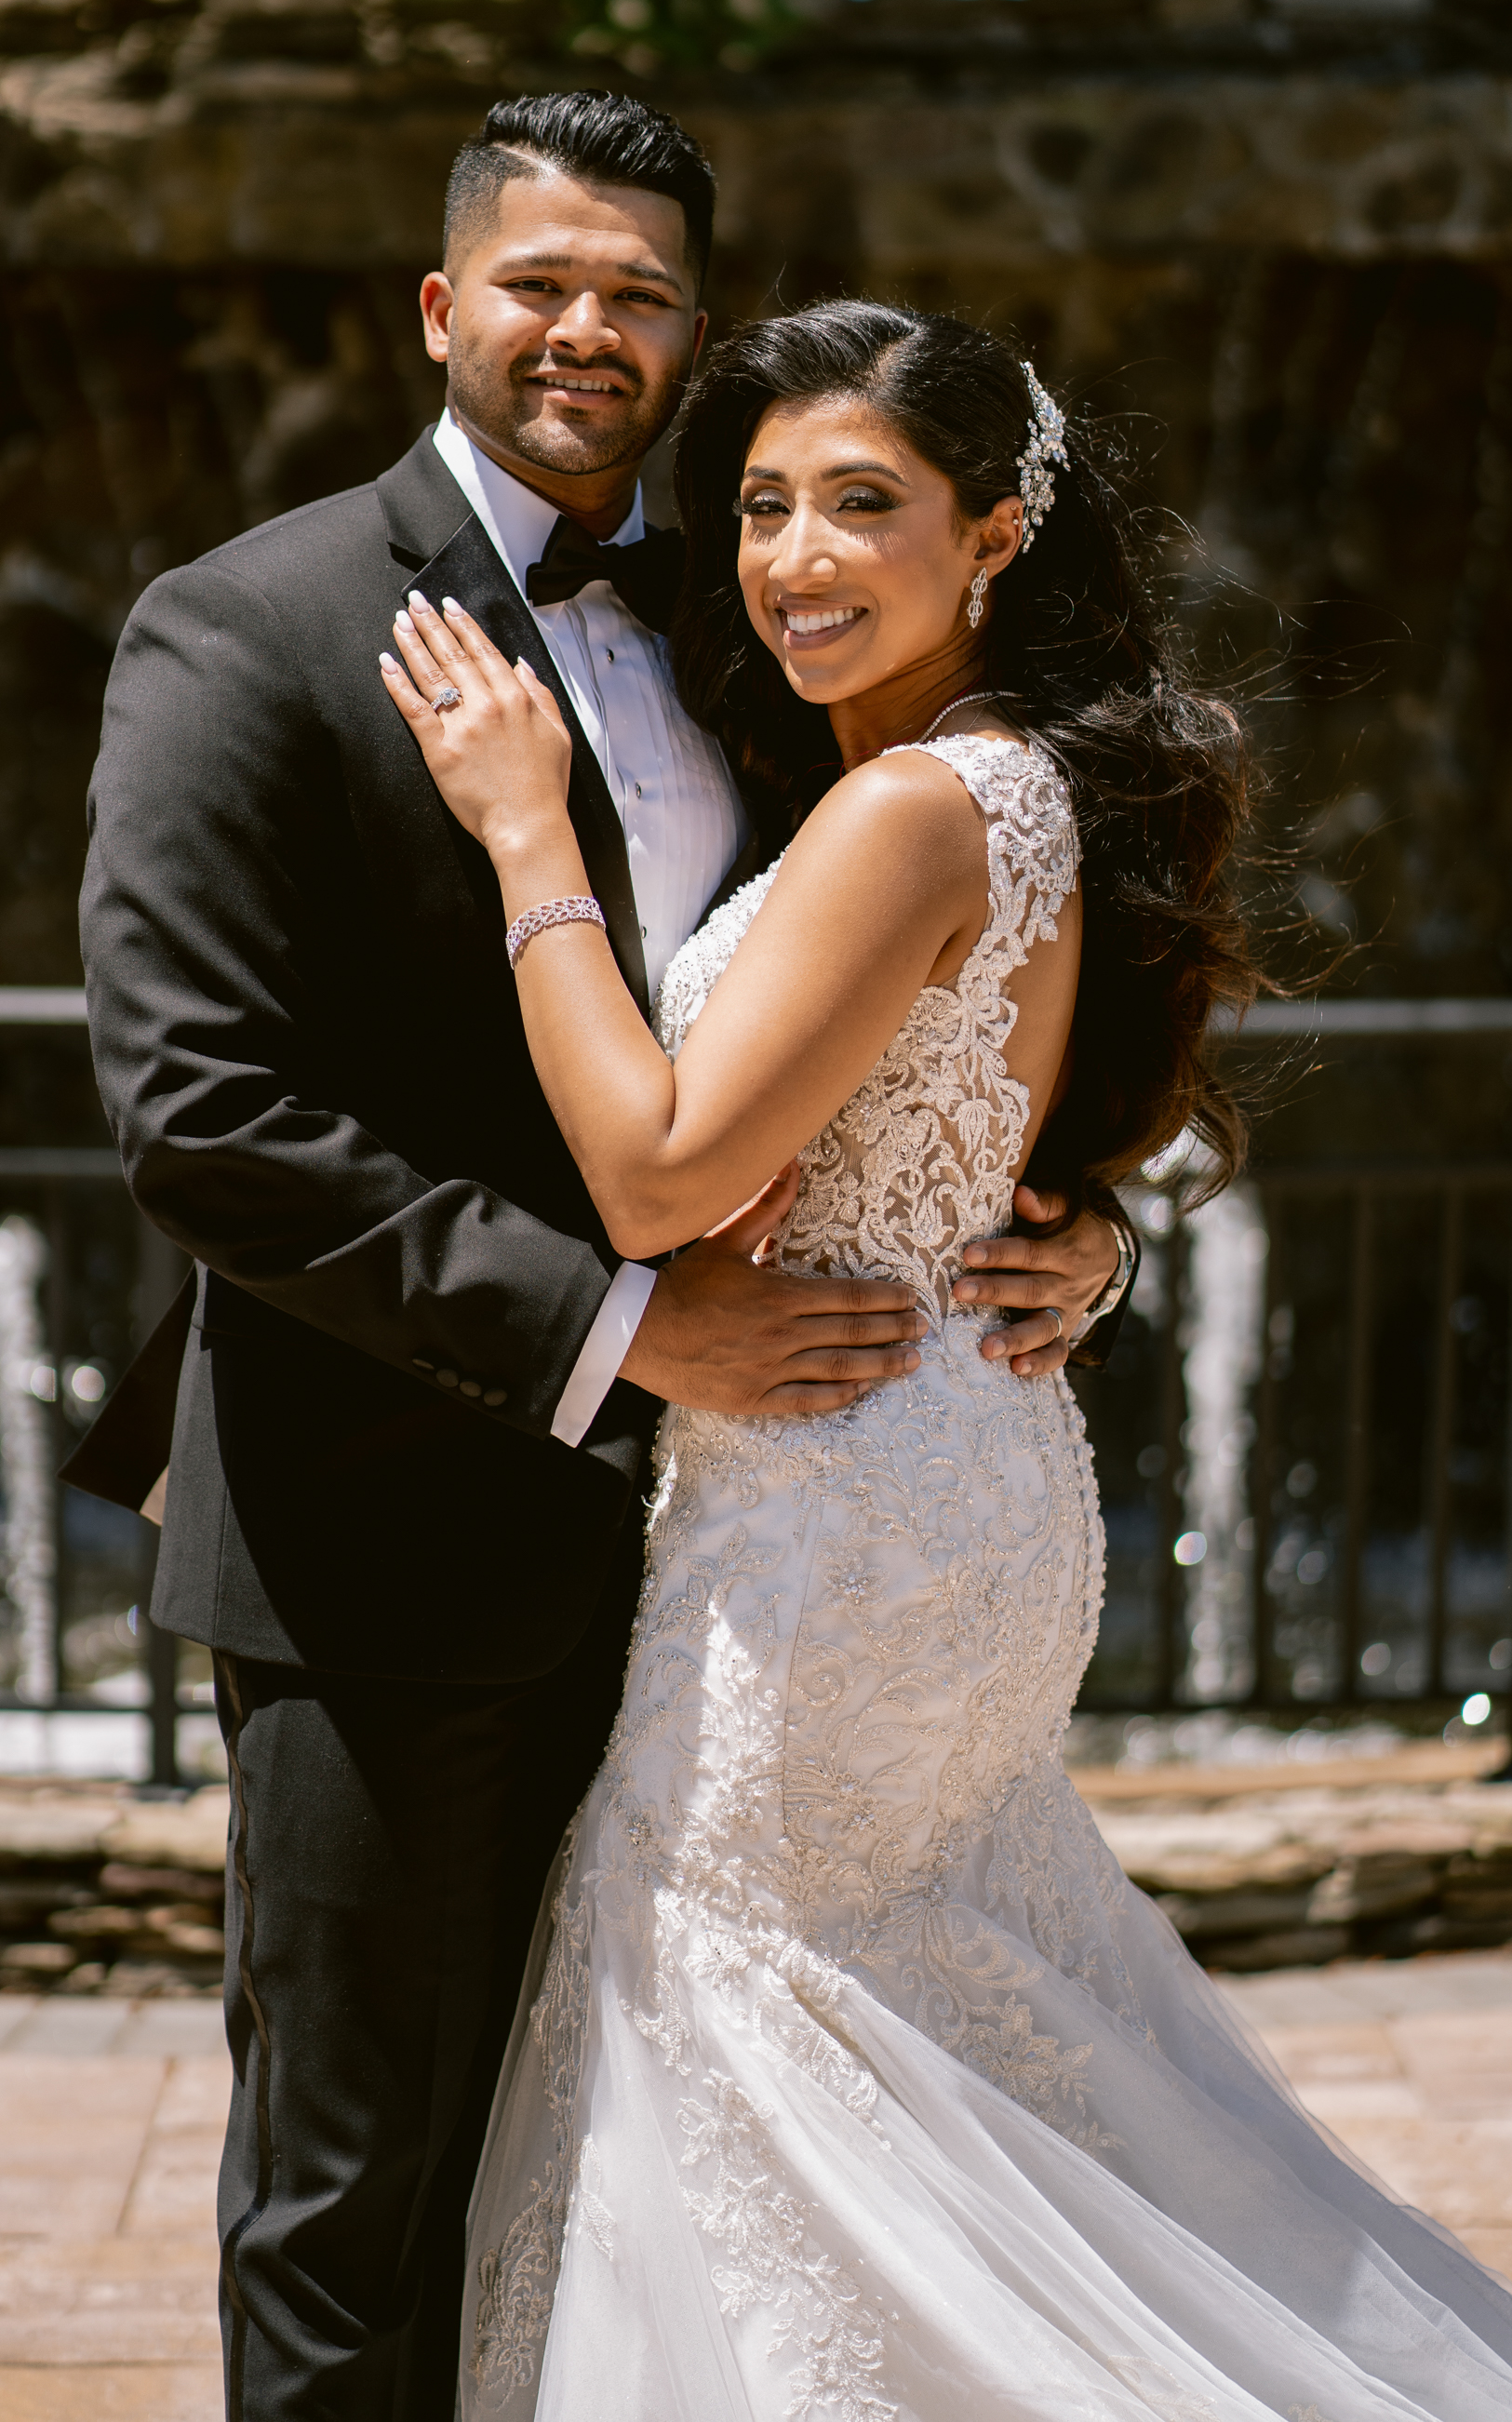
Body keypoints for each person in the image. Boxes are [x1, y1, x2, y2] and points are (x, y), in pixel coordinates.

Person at [68, 98, 1131, 2420]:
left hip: (749, 1577)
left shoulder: (769, 625)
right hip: (391, 1534)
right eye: (538, 281)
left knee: (632, 2179)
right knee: (363, 2205)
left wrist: (1069, 1216)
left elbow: (920, 990)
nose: (585, 328)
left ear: (693, 330)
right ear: (439, 306)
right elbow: (203, 1122)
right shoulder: (247, 627)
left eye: (638, 292)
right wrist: (629, 1328)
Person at [386, 299, 1512, 2420]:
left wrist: (528, 835)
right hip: (952, 1470)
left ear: (994, 533)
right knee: (892, 2028)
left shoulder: (913, 803)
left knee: (737, 1999)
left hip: (835, 1520)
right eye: (760, 507)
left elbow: (659, 1177)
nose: (793, 557)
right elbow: (977, 1123)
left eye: (860, 504)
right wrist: (1086, 1232)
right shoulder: (1014, 780)